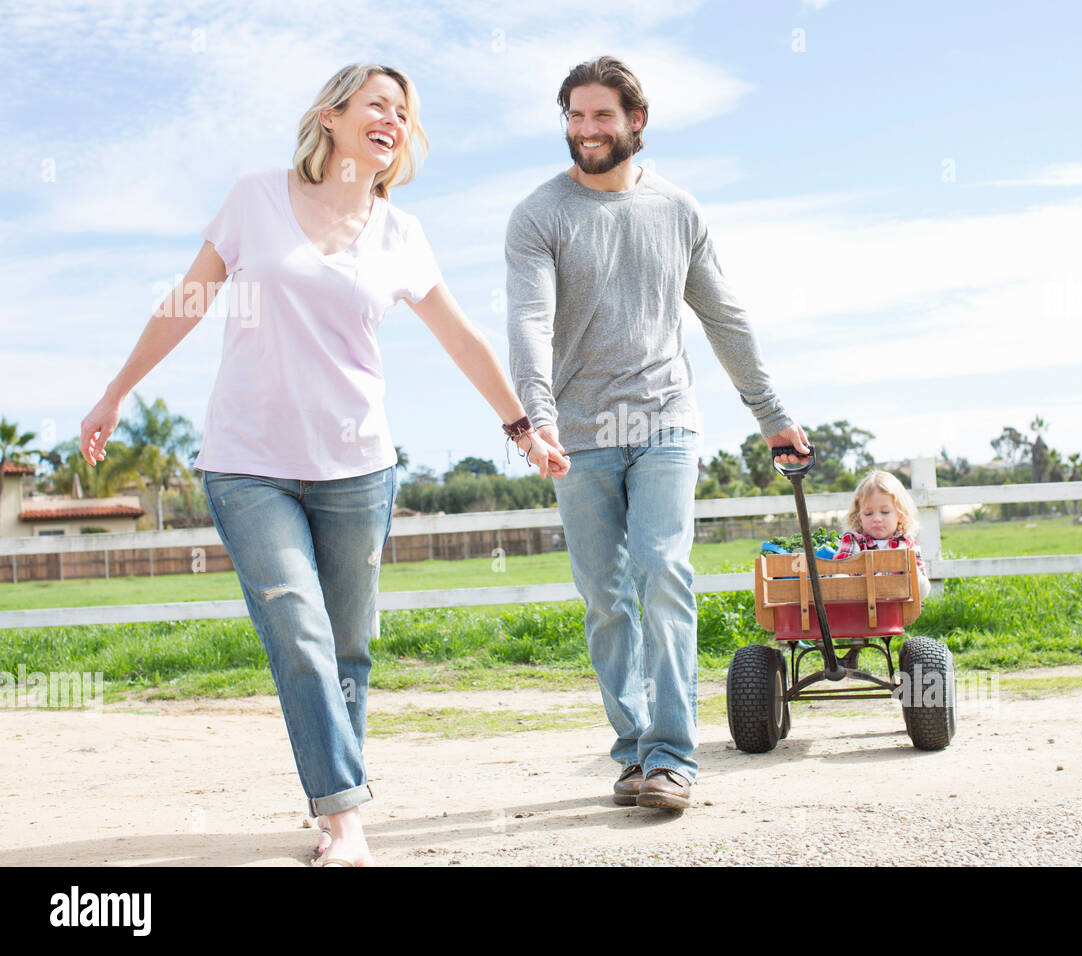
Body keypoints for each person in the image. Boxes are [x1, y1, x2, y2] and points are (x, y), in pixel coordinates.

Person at [79, 63, 568, 866]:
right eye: (378, 103)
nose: (393, 119)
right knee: (300, 634)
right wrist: (115, 392)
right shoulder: (256, 198)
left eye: (404, 112)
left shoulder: (399, 233)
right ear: (332, 115)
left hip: (358, 468)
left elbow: (461, 339)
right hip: (248, 464)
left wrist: (521, 427)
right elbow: (187, 302)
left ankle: (333, 802)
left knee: (347, 649)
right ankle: (345, 819)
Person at [506, 56, 809, 811]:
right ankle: (633, 748)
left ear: (635, 121)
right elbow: (530, 320)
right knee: (606, 598)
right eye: (574, 116)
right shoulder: (539, 214)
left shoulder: (679, 210)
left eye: (600, 116)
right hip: (577, 433)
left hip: (666, 420)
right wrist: (538, 416)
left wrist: (771, 416)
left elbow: (724, 316)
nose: (585, 131)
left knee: (662, 571)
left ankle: (672, 756)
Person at [833, 470, 932, 601]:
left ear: (900, 514)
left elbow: (923, 591)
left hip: (895, 610)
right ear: (859, 517)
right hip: (861, 609)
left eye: (885, 512)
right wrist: (843, 580)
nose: (877, 519)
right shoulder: (854, 541)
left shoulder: (907, 544)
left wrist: (911, 570)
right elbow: (840, 571)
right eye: (868, 513)